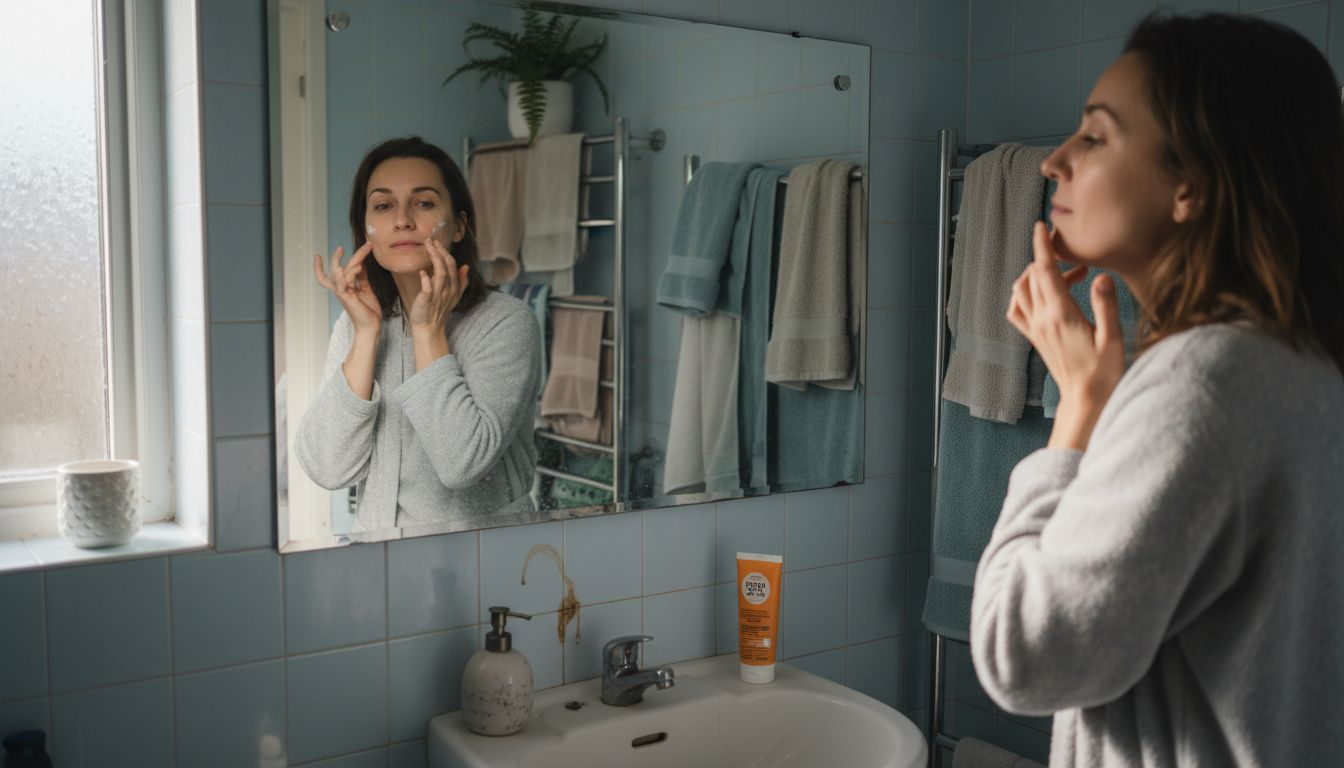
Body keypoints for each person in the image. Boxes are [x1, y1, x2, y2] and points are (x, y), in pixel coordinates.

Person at [969, 12, 1344, 767]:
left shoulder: (1202, 385)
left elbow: (1023, 655)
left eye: (1096, 136)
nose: (1053, 162)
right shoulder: (1301, 367)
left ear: (1190, 187)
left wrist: (1078, 407)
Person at [295, 136, 542, 535]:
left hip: (490, 561)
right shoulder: (357, 325)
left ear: (459, 226)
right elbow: (327, 467)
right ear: (366, 229)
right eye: (383, 205)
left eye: (424, 203)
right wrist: (365, 334)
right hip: (379, 560)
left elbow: (462, 462)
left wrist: (429, 332)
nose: (403, 220)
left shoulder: (506, 323)